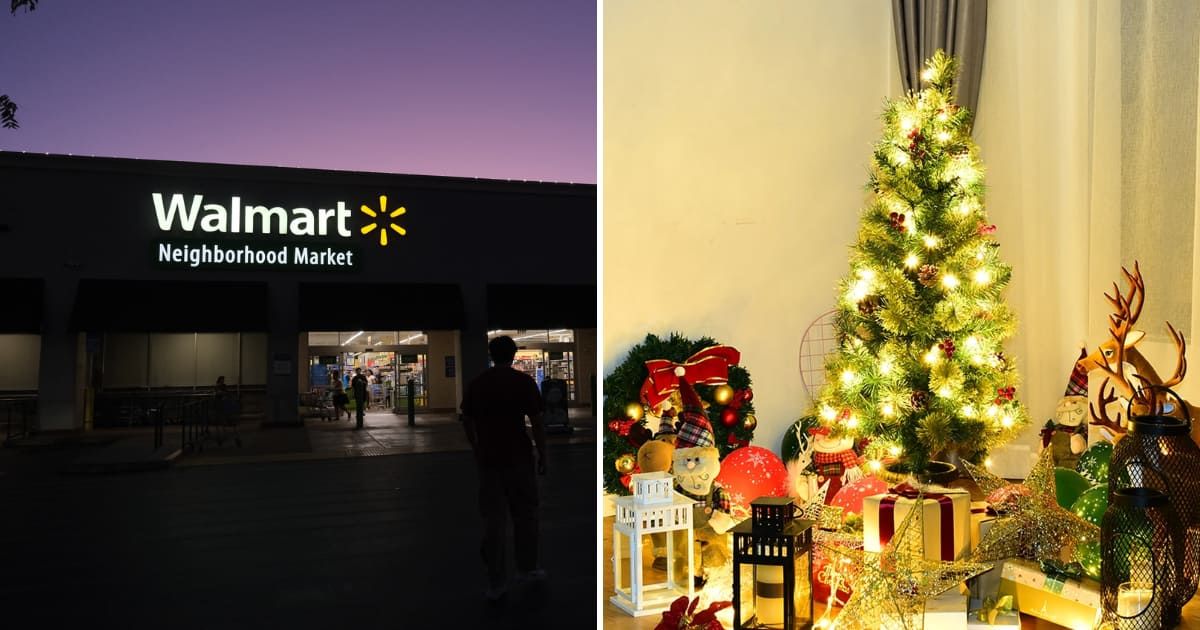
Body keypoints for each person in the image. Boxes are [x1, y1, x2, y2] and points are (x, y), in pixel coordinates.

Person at [460, 335, 547, 604]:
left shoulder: (478, 384)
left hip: (489, 460)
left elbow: (467, 419)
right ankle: (527, 568)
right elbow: (537, 420)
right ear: (514, 354)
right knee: (525, 515)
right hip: (519, 457)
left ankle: (497, 582)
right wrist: (542, 453)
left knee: (494, 522)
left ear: (490, 354)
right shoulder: (523, 382)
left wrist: (476, 445)